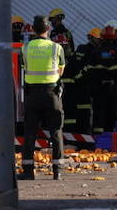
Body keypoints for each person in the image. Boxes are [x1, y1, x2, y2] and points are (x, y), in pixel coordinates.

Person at [18, 16, 66, 181]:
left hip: (32, 95)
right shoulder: (56, 48)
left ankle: (28, 171)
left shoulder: (25, 48)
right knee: (56, 132)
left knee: (30, 133)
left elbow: (23, 68)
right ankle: (57, 171)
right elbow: (61, 70)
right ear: (48, 29)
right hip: (51, 94)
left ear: (32, 29)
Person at [87, 26, 117, 135]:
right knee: (115, 115)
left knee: (99, 115)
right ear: (114, 37)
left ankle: (98, 141)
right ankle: (113, 140)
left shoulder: (96, 52)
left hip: (100, 90)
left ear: (102, 37)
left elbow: (90, 72)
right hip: (115, 90)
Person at [59, 32, 92, 134]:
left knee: (69, 114)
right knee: (69, 113)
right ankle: (69, 135)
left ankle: (68, 135)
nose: (66, 48)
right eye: (64, 46)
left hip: (65, 90)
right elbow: (78, 75)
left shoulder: (68, 59)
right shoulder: (71, 59)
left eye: (66, 46)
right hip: (69, 90)